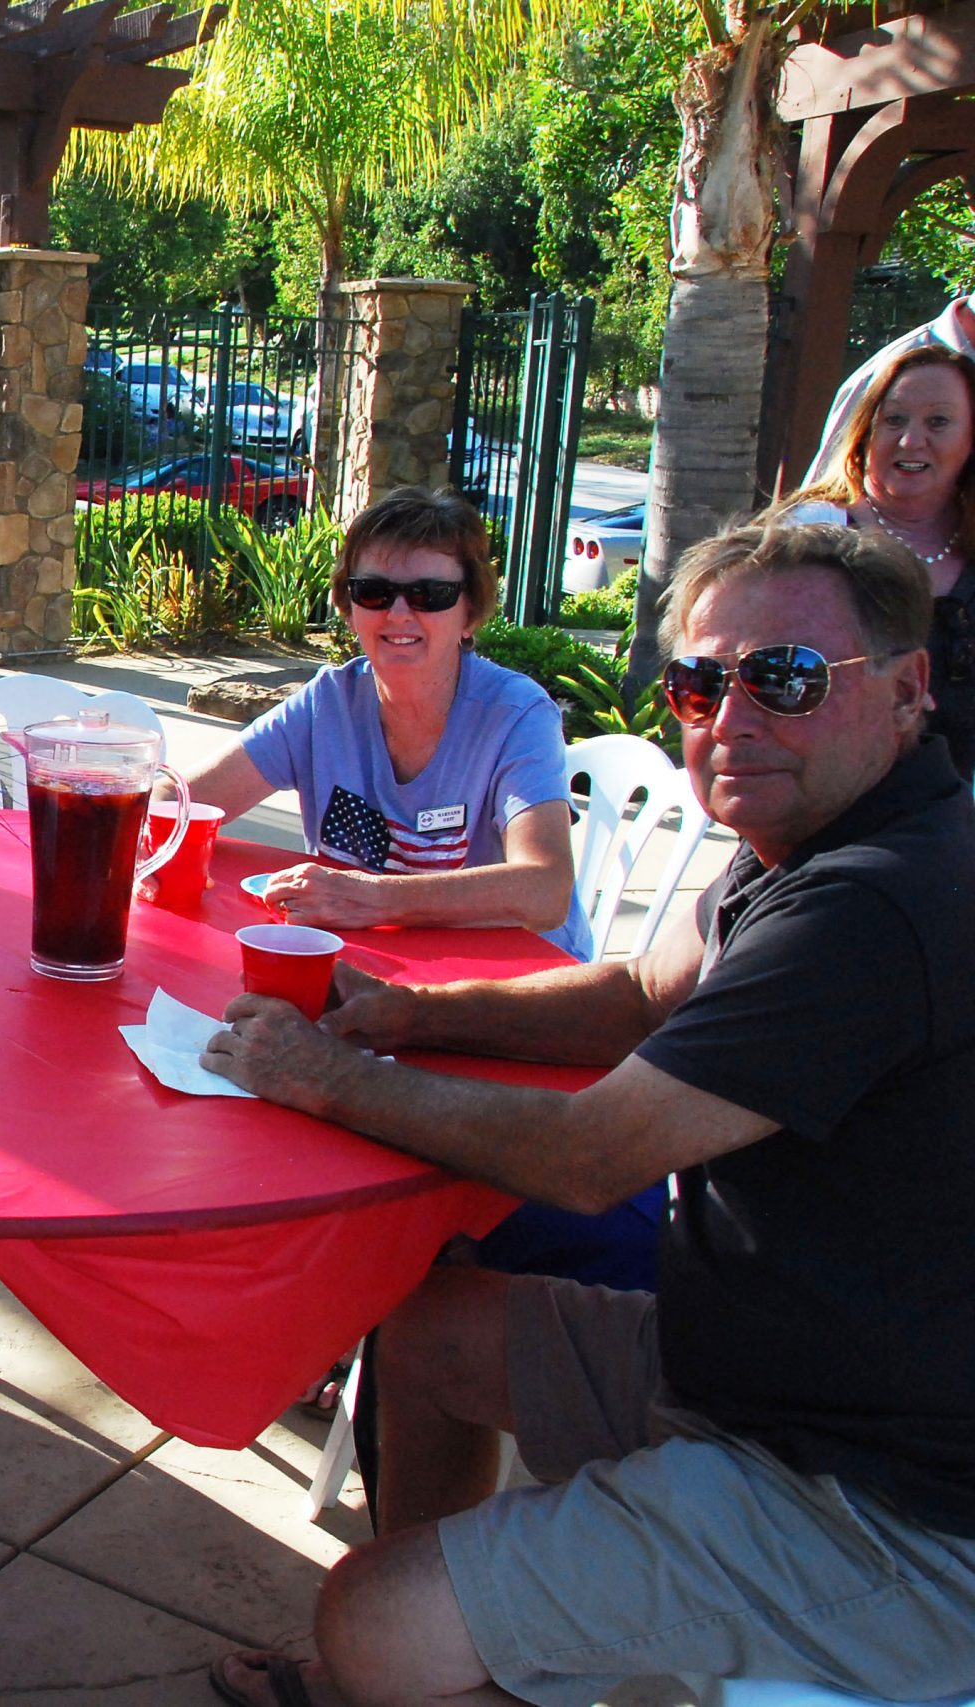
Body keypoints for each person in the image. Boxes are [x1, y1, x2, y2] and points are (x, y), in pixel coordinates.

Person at [199, 521, 975, 1707]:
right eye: (700, 683)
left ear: (907, 691)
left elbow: (585, 1156)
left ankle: (420, 1658)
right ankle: (456, 1646)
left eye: (785, 677)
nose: (732, 718)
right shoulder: (810, 841)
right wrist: (414, 1017)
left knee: (368, 1622)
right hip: (751, 1372)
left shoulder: (876, 907)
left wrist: (327, 1073)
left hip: (881, 1506)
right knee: (429, 1327)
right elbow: (630, 994)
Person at [181, 486, 590, 959]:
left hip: (513, 977)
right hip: (376, 965)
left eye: (429, 595)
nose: (398, 614)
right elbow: (183, 805)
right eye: (373, 592)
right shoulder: (327, 703)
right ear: (350, 607)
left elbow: (545, 889)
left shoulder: (516, 715)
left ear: (470, 614)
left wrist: (371, 898)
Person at [776, 342, 975, 776]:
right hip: (820, 807)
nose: (910, 440)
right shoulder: (809, 533)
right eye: (894, 420)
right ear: (865, 433)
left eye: (938, 421)